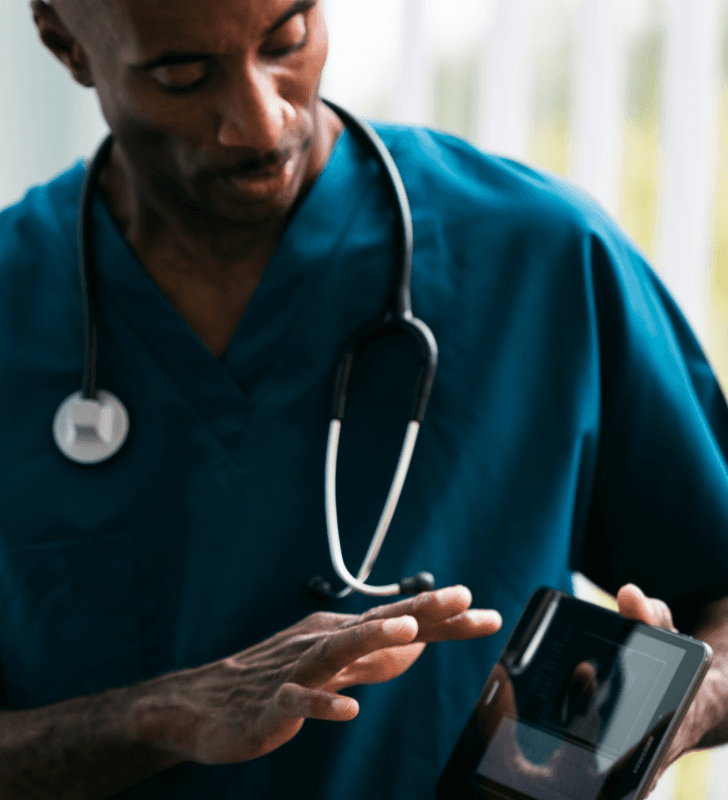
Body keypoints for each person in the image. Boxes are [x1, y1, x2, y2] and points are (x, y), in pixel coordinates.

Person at [1, 0, 727, 797]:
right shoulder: (16, 302)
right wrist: (156, 715)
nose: (262, 119)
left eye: (288, 39)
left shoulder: (541, 257)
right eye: (182, 73)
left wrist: (670, 706)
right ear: (63, 40)